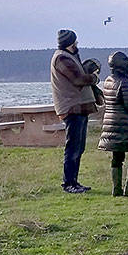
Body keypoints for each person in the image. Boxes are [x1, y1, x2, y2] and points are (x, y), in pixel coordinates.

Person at [50, 30, 100, 193]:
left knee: (79, 147)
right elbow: (78, 79)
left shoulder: (69, 57)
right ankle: (69, 183)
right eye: (75, 42)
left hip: (78, 108)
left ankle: (74, 182)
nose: (77, 44)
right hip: (72, 108)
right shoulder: (62, 58)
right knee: (73, 147)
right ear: (70, 43)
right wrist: (94, 77)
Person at [97, 51, 128, 197]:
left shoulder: (108, 80)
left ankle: (117, 188)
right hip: (125, 124)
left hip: (110, 122)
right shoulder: (124, 82)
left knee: (117, 155)